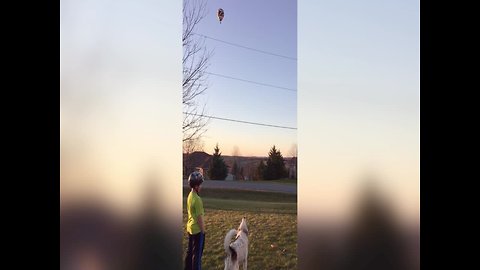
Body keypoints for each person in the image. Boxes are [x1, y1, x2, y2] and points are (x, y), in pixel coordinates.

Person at [184, 170, 205, 270]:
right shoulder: (197, 199)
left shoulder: (190, 195)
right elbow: (200, 218)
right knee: (197, 256)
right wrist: (203, 231)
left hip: (190, 228)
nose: (201, 187)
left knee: (190, 252)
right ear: (196, 186)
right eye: (200, 184)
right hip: (197, 230)